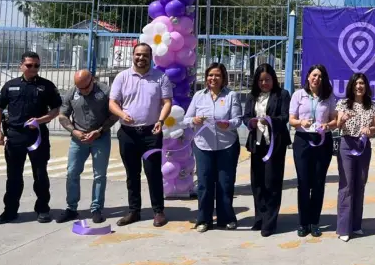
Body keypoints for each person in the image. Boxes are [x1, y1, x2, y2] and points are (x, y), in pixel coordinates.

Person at [0, 51, 62, 224]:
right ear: (21, 66)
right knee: (14, 175)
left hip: (37, 136)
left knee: (40, 174)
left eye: (36, 65)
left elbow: (55, 110)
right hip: (14, 135)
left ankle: (43, 209)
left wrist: (41, 120)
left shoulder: (46, 86)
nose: (33, 68)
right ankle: (10, 211)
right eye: (29, 65)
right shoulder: (10, 85)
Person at [109, 43, 173, 228]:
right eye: (138, 55)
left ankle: (158, 211)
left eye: (145, 55)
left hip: (151, 133)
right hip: (128, 134)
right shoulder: (122, 77)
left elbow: (167, 102)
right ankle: (134, 211)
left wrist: (160, 121)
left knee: (153, 172)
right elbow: (112, 102)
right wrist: (121, 114)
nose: (141, 58)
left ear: (150, 57)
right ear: (133, 56)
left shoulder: (161, 77)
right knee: (132, 173)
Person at [185, 62, 242, 233]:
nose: (213, 78)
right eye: (210, 75)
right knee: (204, 183)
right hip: (203, 146)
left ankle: (227, 218)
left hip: (227, 146)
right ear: (206, 77)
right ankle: (204, 219)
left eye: (217, 75)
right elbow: (186, 119)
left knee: (225, 183)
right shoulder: (199, 96)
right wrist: (193, 121)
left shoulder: (231, 96)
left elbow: (237, 120)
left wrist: (228, 124)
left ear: (223, 78)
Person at [56, 69, 118, 224]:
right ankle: (71, 208)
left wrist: (100, 131)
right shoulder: (72, 93)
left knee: (99, 175)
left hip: (100, 138)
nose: (82, 91)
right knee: (72, 173)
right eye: (79, 88)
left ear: (92, 80)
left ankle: (96, 208)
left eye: (85, 88)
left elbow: (115, 114)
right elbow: (63, 115)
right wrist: (74, 131)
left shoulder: (105, 92)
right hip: (78, 139)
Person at [242, 63, 291, 237]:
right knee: (257, 183)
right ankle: (259, 218)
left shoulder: (282, 95)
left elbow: (285, 116)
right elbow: (246, 116)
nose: (264, 83)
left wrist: (270, 120)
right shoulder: (251, 96)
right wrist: (251, 122)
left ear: (273, 80)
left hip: (274, 145)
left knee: (272, 182)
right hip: (257, 144)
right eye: (261, 80)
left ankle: (270, 223)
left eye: (267, 80)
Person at [289, 64, 337, 238]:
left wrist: (327, 125)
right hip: (303, 140)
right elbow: (291, 120)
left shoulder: (329, 97)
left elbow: (334, 120)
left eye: (320, 76)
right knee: (303, 182)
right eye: (314, 75)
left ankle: (315, 222)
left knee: (318, 183)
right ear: (308, 77)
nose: (317, 79)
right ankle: (303, 223)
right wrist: (301, 122)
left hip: (323, 141)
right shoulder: (298, 95)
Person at [334, 73, 375, 243]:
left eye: (362, 83)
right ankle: (344, 228)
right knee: (346, 185)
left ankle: (356, 225)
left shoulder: (372, 106)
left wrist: (370, 130)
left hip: (364, 146)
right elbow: (337, 126)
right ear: (351, 86)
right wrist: (342, 120)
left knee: (360, 183)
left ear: (366, 86)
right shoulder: (343, 104)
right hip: (347, 145)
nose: (359, 86)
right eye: (356, 83)